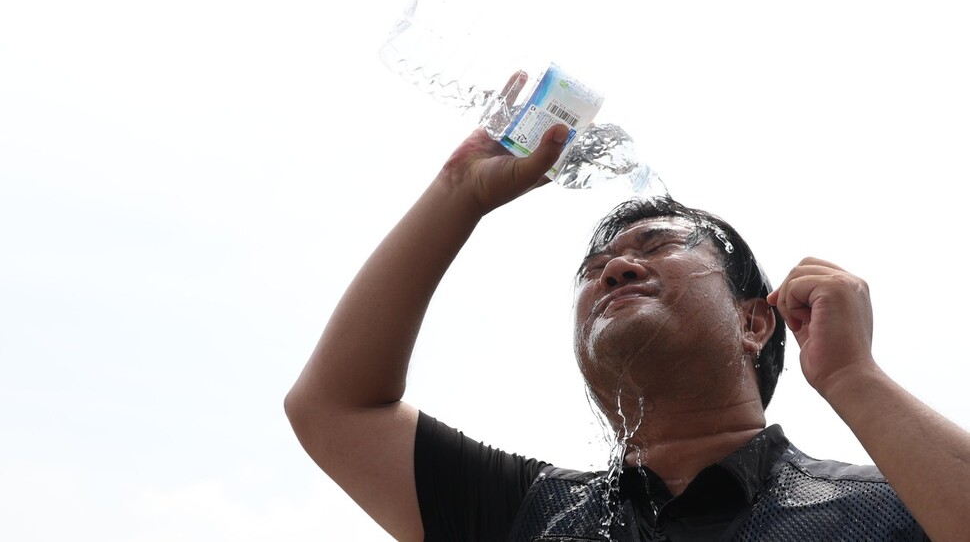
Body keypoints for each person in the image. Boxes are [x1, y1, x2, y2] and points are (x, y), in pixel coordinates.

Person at [284, 126, 970, 541]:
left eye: (659, 244)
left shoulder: (889, 507)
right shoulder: (530, 515)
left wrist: (856, 378)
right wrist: (459, 190)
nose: (613, 266)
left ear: (754, 320)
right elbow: (336, 408)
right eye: (591, 270)